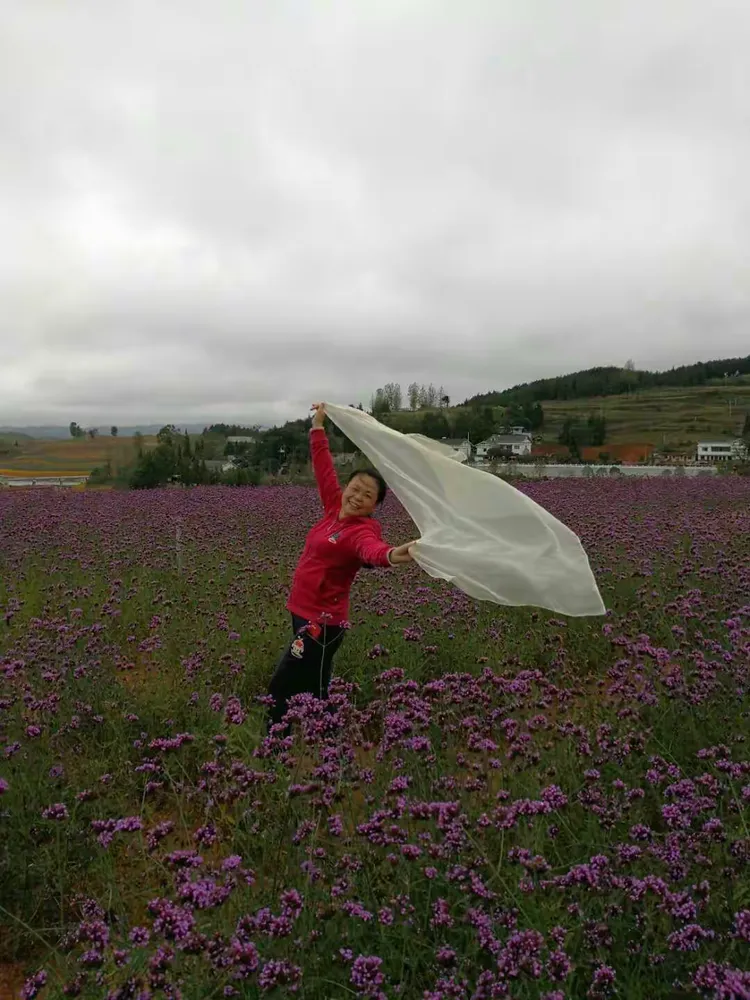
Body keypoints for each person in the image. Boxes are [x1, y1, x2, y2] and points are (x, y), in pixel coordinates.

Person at [267, 403, 417, 732]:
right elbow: (324, 468)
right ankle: (332, 743)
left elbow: (372, 551)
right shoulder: (333, 508)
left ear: (375, 506)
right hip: (301, 612)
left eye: (367, 495)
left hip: (321, 623)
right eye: (355, 488)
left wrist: (393, 554)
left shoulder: (361, 531)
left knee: (282, 684)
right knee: (316, 685)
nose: (357, 496)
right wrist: (318, 426)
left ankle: (273, 743)